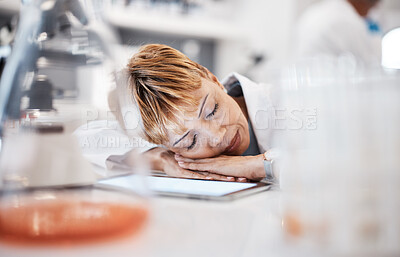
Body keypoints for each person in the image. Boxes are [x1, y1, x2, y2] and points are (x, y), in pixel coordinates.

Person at [76, 44, 277, 182]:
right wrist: (162, 159)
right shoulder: (168, 150)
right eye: (190, 142)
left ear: (212, 78)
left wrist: (258, 165)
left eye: (212, 110)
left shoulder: (281, 101)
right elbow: (82, 142)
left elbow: (307, 162)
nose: (217, 137)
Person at [294, 0, 382, 63]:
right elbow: (369, 67)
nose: (368, 15)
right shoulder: (348, 21)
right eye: (370, 9)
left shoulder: (313, 12)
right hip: (328, 83)